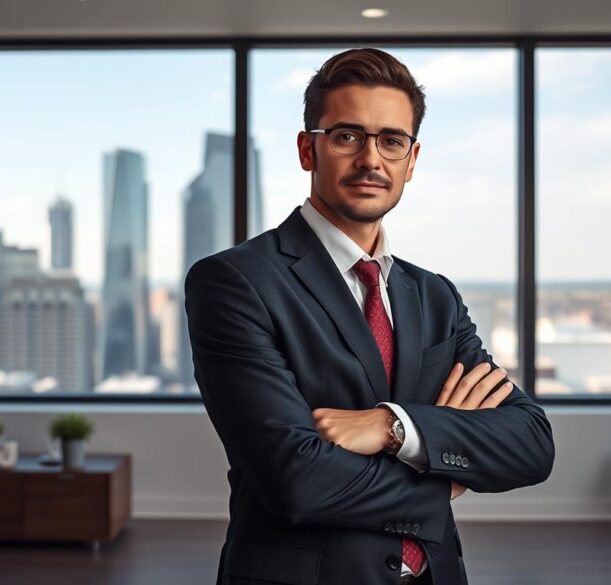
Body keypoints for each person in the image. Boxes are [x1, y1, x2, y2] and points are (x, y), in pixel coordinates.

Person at [184, 47, 555, 585]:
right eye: (346, 136)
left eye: (391, 141)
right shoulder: (237, 282)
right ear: (308, 149)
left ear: (412, 158)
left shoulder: (434, 296)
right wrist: (446, 474)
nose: (371, 160)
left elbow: (529, 443)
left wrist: (391, 426)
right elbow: (297, 480)